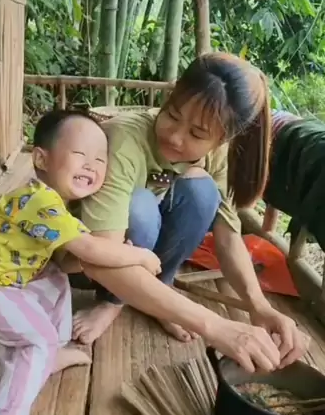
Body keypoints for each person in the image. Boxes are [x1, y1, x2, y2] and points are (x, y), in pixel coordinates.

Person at [70, 52, 310, 372]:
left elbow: (228, 238)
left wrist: (259, 306)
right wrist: (216, 326)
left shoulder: (218, 154)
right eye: (172, 114)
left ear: (223, 139)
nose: (175, 136)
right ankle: (112, 301)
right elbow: (97, 259)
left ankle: (159, 294)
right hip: (81, 264)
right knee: (140, 206)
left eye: (197, 134)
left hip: (142, 260)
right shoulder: (124, 139)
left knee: (201, 191)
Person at [0, 109, 162, 415]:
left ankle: (53, 353)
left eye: (100, 158)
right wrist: (139, 255)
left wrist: (115, 255)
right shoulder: (40, 201)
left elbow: (71, 261)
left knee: (56, 278)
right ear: (41, 160)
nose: (91, 164)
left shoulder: (57, 206)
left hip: (5, 280)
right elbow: (89, 249)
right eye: (80, 154)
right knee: (36, 339)